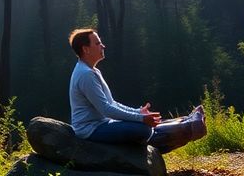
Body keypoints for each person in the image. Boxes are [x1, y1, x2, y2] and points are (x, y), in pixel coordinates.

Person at [68, 28, 206, 154]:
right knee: (144, 129)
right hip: (91, 130)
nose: (103, 46)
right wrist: (140, 118)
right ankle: (190, 128)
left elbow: (112, 103)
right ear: (86, 49)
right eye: (98, 44)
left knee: (144, 124)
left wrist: (138, 112)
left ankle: (188, 123)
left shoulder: (93, 71)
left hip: (101, 124)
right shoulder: (85, 75)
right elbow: (106, 109)